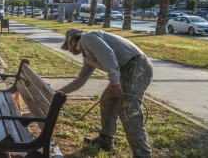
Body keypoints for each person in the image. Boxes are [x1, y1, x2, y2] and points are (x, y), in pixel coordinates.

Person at [59, 29, 153, 158]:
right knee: (107, 100)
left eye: (68, 46)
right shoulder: (88, 54)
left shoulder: (87, 38)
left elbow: (108, 54)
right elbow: (80, 80)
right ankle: (106, 140)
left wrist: (114, 82)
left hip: (137, 65)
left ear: (72, 40)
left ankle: (143, 154)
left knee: (129, 110)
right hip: (124, 70)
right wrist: (59, 93)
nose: (69, 50)